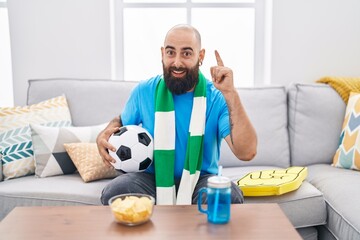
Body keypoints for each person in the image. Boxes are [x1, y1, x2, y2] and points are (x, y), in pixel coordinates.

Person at [97, 24, 257, 205]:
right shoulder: (144, 91)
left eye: (187, 53)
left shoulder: (217, 98)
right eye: (171, 52)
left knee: (226, 195)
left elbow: (247, 152)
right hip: (152, 179)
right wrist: (108, 130)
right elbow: (121, 122)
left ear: (200, 56)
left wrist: (231, 94)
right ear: (162, 53)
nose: (177, 62)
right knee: (116, 191)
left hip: (200, 179)